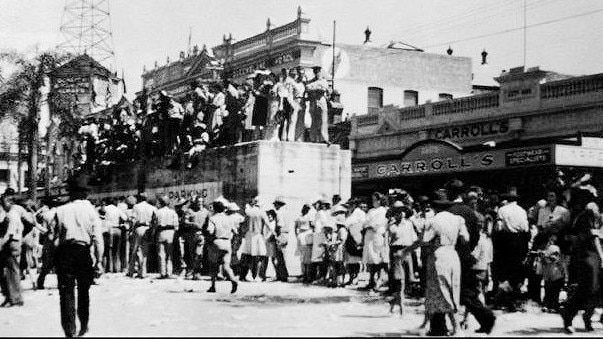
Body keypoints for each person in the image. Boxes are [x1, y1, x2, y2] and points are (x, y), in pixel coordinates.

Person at [406, 197, 469, 336]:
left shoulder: (433, 221)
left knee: (441, 290)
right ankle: (425, 324)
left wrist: (405, 251)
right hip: (453, 255)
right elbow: (465, 239)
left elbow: (423, 240)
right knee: (451, 289)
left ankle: (456, 326)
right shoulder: (458, 219)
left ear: (435, 207)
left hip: (438, 256)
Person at [53, 175, 103, 337]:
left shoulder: (60, 211)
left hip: (65, 252)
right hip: (83, 252)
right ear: (85, 193)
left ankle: (70, 330)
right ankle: (84, 325)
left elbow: (53, 239)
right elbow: (97, 238)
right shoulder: (91, 211)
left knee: (66, 292)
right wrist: (99, 261)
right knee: (84, 290)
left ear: (71, 192)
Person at [447, 180, 496, 333]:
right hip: (465, 256)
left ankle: (439, 326)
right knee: (467, 291)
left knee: (446, 290)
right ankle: (486, 317)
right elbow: (474, 237)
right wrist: (467, 250)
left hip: (450, 255)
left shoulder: (448, 211)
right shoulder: (470, 213)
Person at [561, 188, 603, 333]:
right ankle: (569, 315)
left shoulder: (589, 213)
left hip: (592, 255)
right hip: (590, 255)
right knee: (589, 288)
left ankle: (587, 317)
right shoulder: (589, 212)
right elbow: (594, 237)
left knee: (596, 290)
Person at [493, 191, 530, 312]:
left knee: (504, 269)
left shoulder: (502, 210)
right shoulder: (522, 210)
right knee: (516, 270)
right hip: (519, 240)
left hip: (505, 240)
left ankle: (503, 299)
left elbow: (498, 227)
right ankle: (514, 299)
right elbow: (525, 227)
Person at [0, 191, 34, 307]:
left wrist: (1, 243)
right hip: (15, 242)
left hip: (11, 244)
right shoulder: (17, 213)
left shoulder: (11, 215)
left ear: (9, 202)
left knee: (11, 272)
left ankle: (15, 298)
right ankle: (11, 297)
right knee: (11, 271)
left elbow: (9, 233)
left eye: (3, 202)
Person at [387, 203, 417, 314]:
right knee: (400, 281)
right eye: (397, 212)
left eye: (401, 211)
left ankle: (395, 301)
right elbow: (393, 237)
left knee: (408, 281)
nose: (400, 214)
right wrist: (390, 225)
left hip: (407, 251)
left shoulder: (409, 224)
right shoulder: (392, 226)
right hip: (396, 252)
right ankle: (401, 308)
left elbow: (414, 238)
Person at [205, 200, 239, 293]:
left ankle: (213, 286)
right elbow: (235, 232)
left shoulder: (212, 219)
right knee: (226, 266)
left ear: (215, 209)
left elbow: (210, 231)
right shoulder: (229, 218)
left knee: (213, 265)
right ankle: (233, 279)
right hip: (227, 243)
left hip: (216, 242)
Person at [362, 192, 389, 291]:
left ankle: (379, 280)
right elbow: (365, 222)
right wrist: (368, 225)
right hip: (369, 236)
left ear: (380, 200)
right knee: (370, 259)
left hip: (378, 235)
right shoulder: (370, 211)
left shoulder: (384, 210)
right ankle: (371, 280)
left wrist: (372, 225)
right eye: (373, 199)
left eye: (376, 200)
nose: (374, 202)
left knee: (378, 258)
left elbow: (381, 223)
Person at [240, 197, 270, 281]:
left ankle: (249, 274)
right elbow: (268, 224)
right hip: (258, 235)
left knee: (248, 255)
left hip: (249, 235)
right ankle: (258, 276)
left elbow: (243, 223)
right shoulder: (262, 212)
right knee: (260, 256)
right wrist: (274, 233)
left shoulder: (248, 211)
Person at [127, 192, 157, 279]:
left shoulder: (136, 207)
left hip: (138, 228)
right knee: (145, 251)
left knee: (135, 250)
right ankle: (143, 271)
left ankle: (132, 271)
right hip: (148, 229)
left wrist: (131, 230)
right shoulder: (152, 208)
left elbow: (133, 220)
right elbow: (155, 220)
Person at [181, 197, 209, 279]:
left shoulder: (206, 212)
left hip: (201, 234)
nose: (199, 204)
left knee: (199, 254)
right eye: (198, 202)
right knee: (192, 254)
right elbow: (185, 222)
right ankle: (193, 271)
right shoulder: (189, 211)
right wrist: (193, 224)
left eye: (201, 202)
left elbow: (208, 223)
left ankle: (197, 272)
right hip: (192, 234)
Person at [154, 195, 179, 279]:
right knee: (170, 254)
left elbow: (155, 224)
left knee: (161, 254)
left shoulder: (158, 212)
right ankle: (169, 272)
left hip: (161, 233)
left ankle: (162, 273)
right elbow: (176, 226)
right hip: (170, 233)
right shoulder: (173, 212)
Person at [101, 198, 127, 273]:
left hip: (108, 229)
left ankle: (109, 268)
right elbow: (125, 218)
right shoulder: (117, 209)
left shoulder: (105, 208)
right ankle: (116, 268)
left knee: (108, 249)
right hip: (117, 229)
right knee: (116, 250)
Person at [305, 66, 329, 144]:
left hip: (321, 101)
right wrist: (317, 88)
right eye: (315, 72)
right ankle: (313, 138)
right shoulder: (310, 81)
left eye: (318, 72)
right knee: (314, 121)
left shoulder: (324, 81)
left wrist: (315, 88)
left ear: (320, 72)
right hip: (313, 101)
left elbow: (324, 89)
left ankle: (324, 138)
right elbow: (308, 89)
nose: (317, 73)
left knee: (323, 120)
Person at [344, 198, 365, 286]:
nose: (350, 206)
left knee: (356, 259)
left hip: (357, 237)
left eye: (352, 204)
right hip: (349, 236)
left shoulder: (360, 213)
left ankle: (356, 277)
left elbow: (362, 225)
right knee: (349, 259)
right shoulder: (349, 213)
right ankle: (351, 277)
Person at [295, 204, 314, 283]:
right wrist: (297, 235)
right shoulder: (299, 217)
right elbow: (295, 227)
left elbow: (312, 226)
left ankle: (307, 275)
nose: (306, 211)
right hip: (302, 235)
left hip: (307, 234)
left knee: (307, 257)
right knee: (303, 257)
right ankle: (304, 275)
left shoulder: (309, 217)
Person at [273, 197, 289, 282]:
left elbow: (279, 225)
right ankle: (283, 275)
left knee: (280, 256)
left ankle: (282, 276)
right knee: (283, 255)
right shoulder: (286, 212)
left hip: (281, 234)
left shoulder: (279, 213)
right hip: (286, 234)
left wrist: (276, 235)